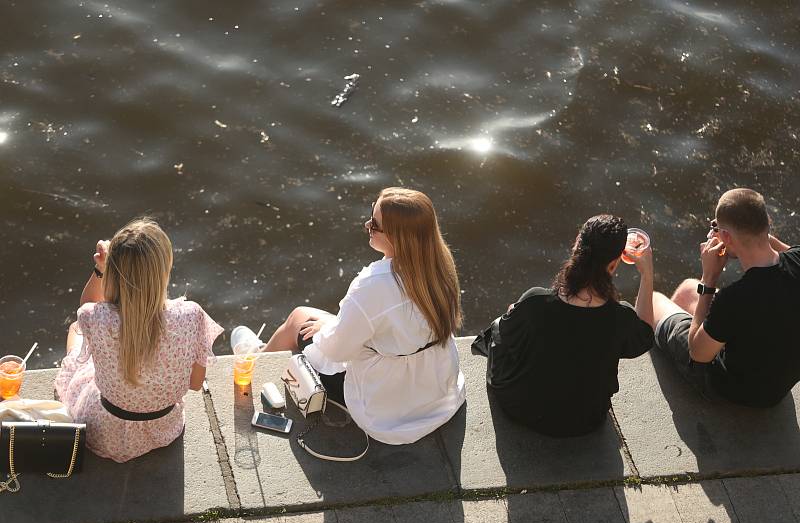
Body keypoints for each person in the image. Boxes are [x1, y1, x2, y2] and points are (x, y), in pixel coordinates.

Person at [263, 187, 466, 445]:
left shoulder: (373, 285)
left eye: (375, 224)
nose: (367, 224)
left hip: (386, 406)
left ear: (396, 237)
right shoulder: (440, 266)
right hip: (437, 395)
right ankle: (261, 351)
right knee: (329, 323)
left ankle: (254, 359)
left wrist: (330, 326)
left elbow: (336, 351)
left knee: (298, 319)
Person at [54, 218, 223, 462]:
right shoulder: (192, 315)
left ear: (114, 271)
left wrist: (101, 269)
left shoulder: (97, 317)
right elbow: (196, 384)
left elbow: (85, 312)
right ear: (163, 270)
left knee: (75, 330)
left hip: (104, 430)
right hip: (163, 429)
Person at [485, 215, 655, 437]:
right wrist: (647, 275)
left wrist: (514, 313)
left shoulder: (535, 301)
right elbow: (645, 335)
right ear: (613, 264)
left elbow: (507, 334)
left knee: (501, 327)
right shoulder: (620, 318)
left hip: (524, 411)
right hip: (586, 421)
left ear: (577, 244)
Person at [651, 188, 800, 407]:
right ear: (766, 221)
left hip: (736, 391)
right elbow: (787, 254)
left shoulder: (734, 299)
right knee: (687, 290)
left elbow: (698, 354)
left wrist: (709, 278)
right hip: (777, 388)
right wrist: (746, 230)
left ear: (726, 237)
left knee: (655, 300)